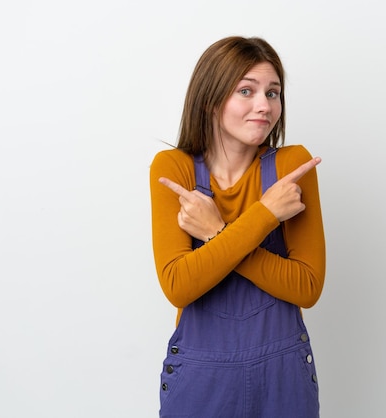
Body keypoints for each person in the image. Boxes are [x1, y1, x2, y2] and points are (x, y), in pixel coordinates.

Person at [149, 35, 326, 418]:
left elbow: (307, 286)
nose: (265, 106)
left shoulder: (291, 166)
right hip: (199, 381)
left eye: (273, 92)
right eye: (247, 90)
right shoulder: (172, 167)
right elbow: (179, 285)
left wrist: (216, 232)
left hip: (283, 378)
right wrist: (266, 214)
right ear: (211, 98)